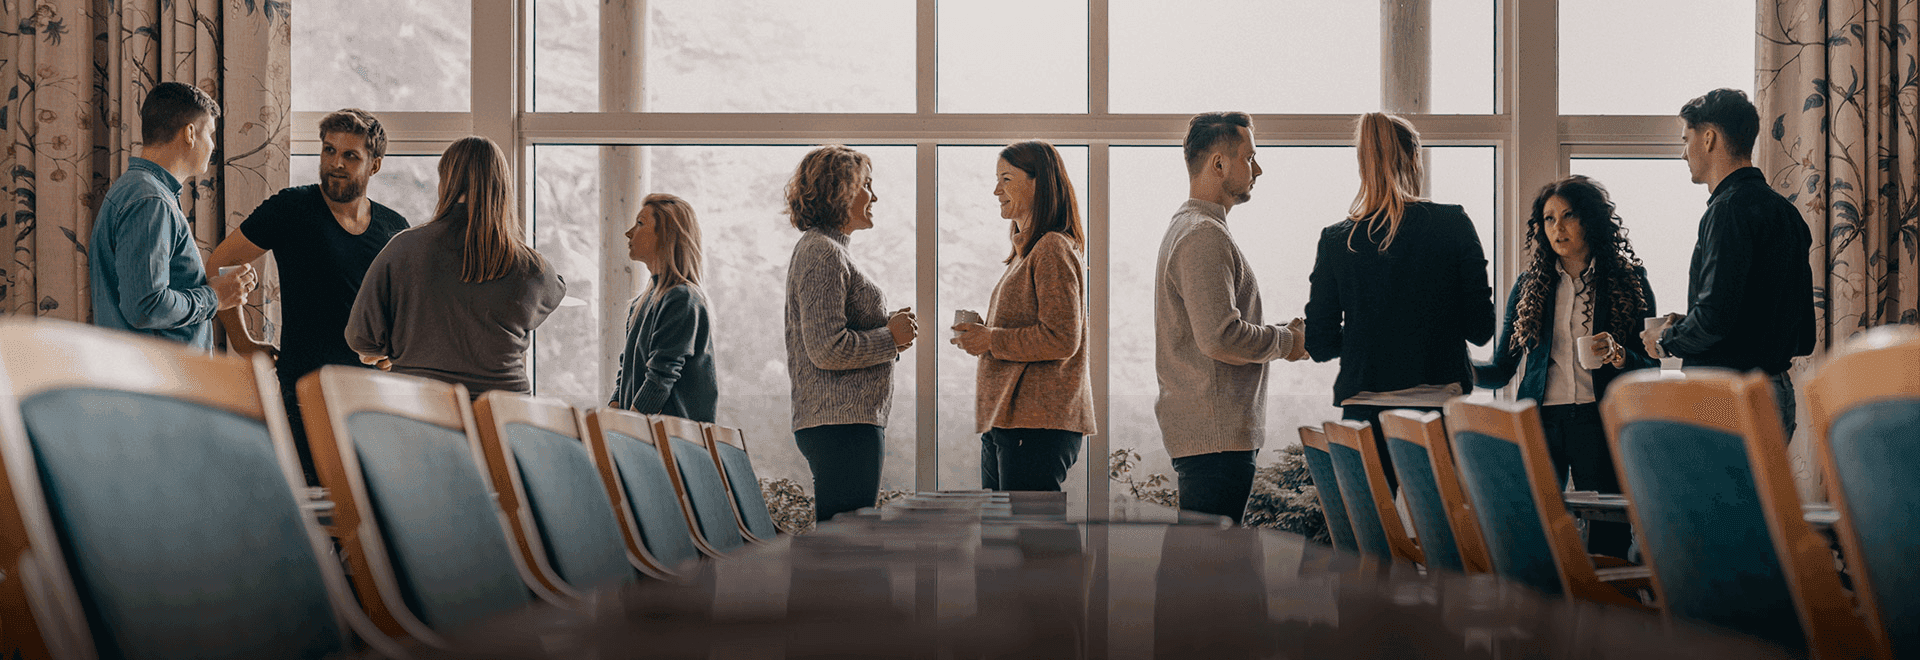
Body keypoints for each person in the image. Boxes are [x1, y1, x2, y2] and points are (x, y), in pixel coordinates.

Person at [206, 109, 408, 483]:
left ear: (375, 165)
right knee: (312, 522)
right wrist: (242, 340)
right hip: (303, 396)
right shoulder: (291, 208)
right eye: (329, 151)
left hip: (371, 401)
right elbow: (222, 261)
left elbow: (402, 310)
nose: (336, 163)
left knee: (367, 525)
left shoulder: (394, 228)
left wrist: (395, 354)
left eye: (351, 156)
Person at [1305, 112, 1495, 495]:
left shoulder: (1336, 239)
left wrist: (1370, 336)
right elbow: (1481, 329)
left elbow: (1319, 344)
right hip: (1437, 412)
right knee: (1446, 540)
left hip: (1362, 413)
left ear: (1363, 164)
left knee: (1371, 545)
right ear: (1413, 160)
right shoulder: (1452, 223)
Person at [1475, 175, 1656, 558]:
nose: (1557, 228)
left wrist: (1620, 355)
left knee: (1608, 535)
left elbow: (1650, 365)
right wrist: (1455, 365)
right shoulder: (1529, 285)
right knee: (1534, 531)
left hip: (1599, 421)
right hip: (1541, 422)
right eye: (1549, 219)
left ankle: (1606, 610)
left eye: (1568, 216)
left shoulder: (1629, 280)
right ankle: (1543, 613)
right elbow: (1501, 368)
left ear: (1590, 219)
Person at [1155, 112, 1307, 524]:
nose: (1258, 169)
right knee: (1210, 577)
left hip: (1211, 435)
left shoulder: (1192, 228)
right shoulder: (1203, 234)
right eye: (1250, 158)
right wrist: (1289, 342)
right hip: (1216, 439)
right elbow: (1220, 338)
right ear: (1219, 164)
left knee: (1202, 571)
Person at [1640, 88, 1814, 439]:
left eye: (1686, 139)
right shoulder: (1787, 214)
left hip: (1730, 400)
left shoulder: (1726, 211)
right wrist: (1690, 322)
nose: (1683, 153)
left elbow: (1716, 319)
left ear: (1709, 138)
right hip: (1776, 392)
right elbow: (1802, 336)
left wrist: (1665, 340)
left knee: (1713, 497)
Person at [345, 136, 565, 395]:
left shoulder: (403, 248)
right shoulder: (531, 267)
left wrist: (399, 347)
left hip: (421, 408)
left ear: (446, 182)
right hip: (504, 413)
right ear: (502, 186)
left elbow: (361, 337)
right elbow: (555, 290)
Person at [950, 141, 1095, 492]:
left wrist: (991, 339)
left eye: (1006, 179)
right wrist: (986, 334)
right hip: (1012, 423)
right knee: (1008, 541)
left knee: (1030, 543)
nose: (996, 190)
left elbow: (1062, 337)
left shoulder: (1051, 248)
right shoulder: (1025, 253)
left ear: (1038, 183)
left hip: (1034, 426)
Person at [784, 145, 917, 523]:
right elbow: (826, 349)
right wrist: (890, 338)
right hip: (840, 428)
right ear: (839, 190)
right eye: (867, 185)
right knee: (847, 554)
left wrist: (891, 334)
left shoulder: (828, 251)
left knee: (847, 549)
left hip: (843, 425)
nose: (874, 196)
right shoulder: (823, 252)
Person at [90, 82, 254, 348]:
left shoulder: (138, 190)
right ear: (190, 133)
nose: (212, 146)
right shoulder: (150, 200)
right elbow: (146, 306)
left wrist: (217, 288)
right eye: (210, 134)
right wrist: (214, 297)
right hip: (158, 377)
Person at [609, 193, 717, 422]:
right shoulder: (639, 304)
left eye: (640, 224)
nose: (629, 233)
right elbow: (625, 371)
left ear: (666, 236)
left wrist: (629, 428)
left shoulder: (683, 298)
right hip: (646, 434)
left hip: (675, 442)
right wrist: (613, 414)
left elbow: (660, 377)